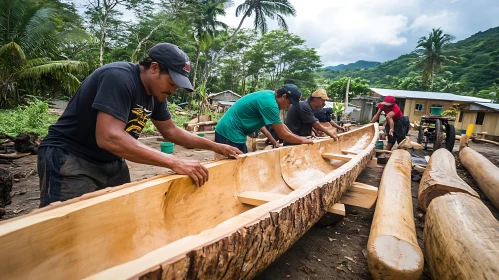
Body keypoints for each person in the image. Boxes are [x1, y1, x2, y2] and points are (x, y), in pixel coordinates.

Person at [37, 43, 242, 207]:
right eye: (171, 83)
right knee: (69, 228)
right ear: (154, 68)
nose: (173, 91)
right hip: (72, 157)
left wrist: (216, 146)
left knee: (120, 218)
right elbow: (109, 136)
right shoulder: (119, 77)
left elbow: (171, 131)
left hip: (111, 162)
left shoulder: (156, 95)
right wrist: (174, 162)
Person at [214, 84, 313, 153]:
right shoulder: (269, 103)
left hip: (234, 132)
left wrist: (299, 138)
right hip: (229, 133)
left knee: (241, 162)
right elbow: (282, 134)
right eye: (289, 103)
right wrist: (302, 140)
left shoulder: (270, 97)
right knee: (235, 166)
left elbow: (281, 125)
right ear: (284, 96)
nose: (288, 106)